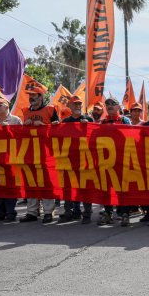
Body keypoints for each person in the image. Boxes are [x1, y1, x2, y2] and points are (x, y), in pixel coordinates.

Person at [19, 86, 60, 224]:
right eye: (30, 95)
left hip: (46, 153)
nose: (31, 98)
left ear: (41, 97)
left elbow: (58, 129)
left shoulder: (50, 110)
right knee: (30, 181)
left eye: (34, 95)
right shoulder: (25, 112)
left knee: (46, 182)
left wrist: (43, 125)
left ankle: (48, 212)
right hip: (30, 152)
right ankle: (31, 211)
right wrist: (24, 127)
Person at [58, 95, 97, 224]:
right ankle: (68, 213)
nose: (77, 106)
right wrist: (54, 126)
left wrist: (89, 125)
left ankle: (87, 214)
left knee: (85, 188)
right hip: (69, 160)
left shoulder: (88, 119)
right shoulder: (65, 122)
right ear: (69, 106)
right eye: (74, 104)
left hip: (85, 159)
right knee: (68, 188)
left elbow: (96, 136)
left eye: (79, 104)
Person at [97, 97, 133, 226]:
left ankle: (124, 214)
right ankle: (107, 213)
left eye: (113, 104)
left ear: (119, 107)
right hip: (106, 160)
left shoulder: (125, 120)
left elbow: (131, 136)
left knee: (123, 188)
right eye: (107, 104)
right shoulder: (102, 122)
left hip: (121, 160)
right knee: (106, 188)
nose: (110, 106)